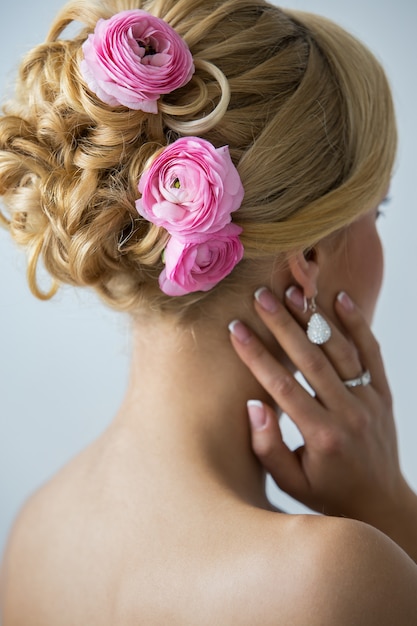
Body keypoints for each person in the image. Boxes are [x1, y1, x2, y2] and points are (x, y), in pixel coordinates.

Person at [1, 0, 416, 622]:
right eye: (374, 213)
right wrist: (391, 508)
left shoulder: (33, 528)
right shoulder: (335, 578)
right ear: (309, 254)